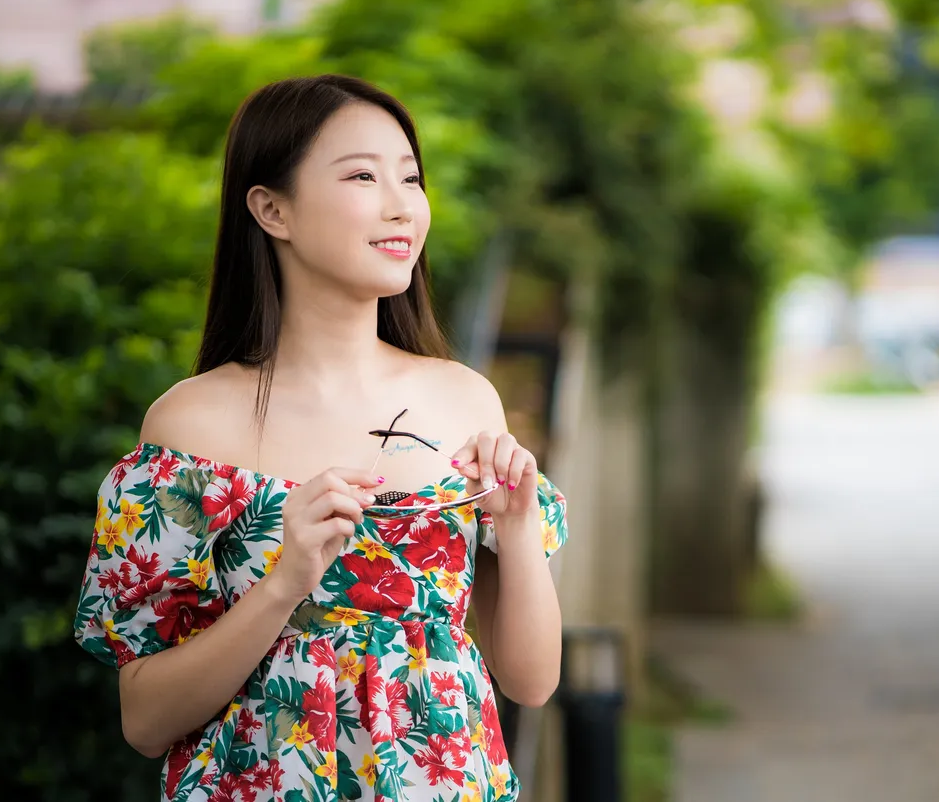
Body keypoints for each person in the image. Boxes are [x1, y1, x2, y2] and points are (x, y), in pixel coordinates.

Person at [73, 74, 568, 801]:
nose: (403, 205)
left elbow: (531, 679)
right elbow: (146, 720)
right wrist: (284, 583)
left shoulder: (464, 399)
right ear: (272, 209)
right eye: (363, 176)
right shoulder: (191, 428)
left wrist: (519, 526)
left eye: (411, 177)